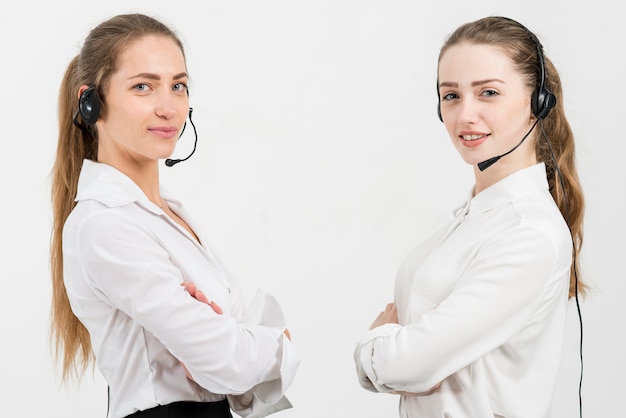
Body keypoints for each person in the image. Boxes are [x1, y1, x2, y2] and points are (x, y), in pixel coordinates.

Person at [50, 13, 298, 418]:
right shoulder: (105, 223)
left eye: (178, 86)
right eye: (143, 86)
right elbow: (227, 362)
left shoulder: (168, 213)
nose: (168, 107)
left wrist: (228, 350)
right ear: (90, 101)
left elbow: (227, 368)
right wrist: (279, 344)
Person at [354, 16, 586, 417]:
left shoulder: (529, 233)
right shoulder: (474, 218)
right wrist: (402, 354)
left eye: (489, 93)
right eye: (451, 96)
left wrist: (374, 343)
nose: (465, 115)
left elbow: (409, 364)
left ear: (538, 103)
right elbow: (416, 366)